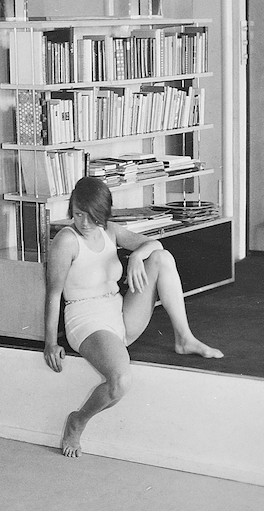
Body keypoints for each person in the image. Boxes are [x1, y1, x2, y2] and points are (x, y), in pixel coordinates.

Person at [44, 175, 222, 458]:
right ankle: (78, 420)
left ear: (103, 214)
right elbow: (54, 294)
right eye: (78, 214)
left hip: (118, 312)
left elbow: (155, 245)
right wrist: (51, 343)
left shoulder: (109, 230)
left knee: (161, 259)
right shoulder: (66, 241)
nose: (85, 223)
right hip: (87, 319)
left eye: (92, 216)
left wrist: (137, 256)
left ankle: (184, 338)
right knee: (120, 381)